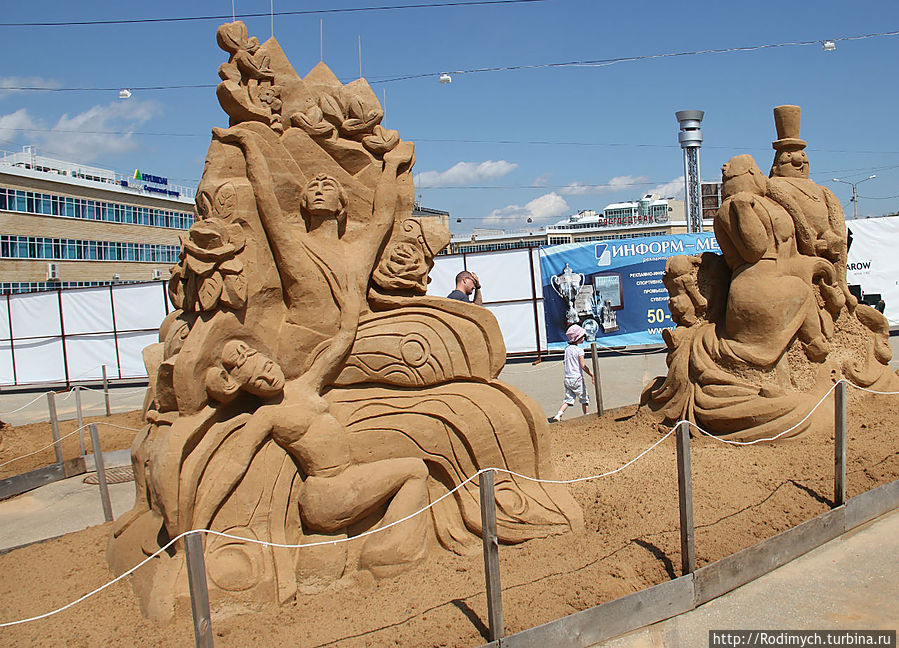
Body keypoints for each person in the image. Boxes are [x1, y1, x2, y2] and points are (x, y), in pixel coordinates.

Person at [548, 324, 594, 423]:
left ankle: (558, 414)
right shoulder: (579, 350)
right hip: (577, 379)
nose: (584, 337)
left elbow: (565, 362)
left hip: (568, 379)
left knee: (568, 399)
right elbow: (583, 365)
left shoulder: (567, 349)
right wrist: (591, 374)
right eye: (582, 336)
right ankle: (586, 415)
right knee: (584, 398)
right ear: (577, 338)